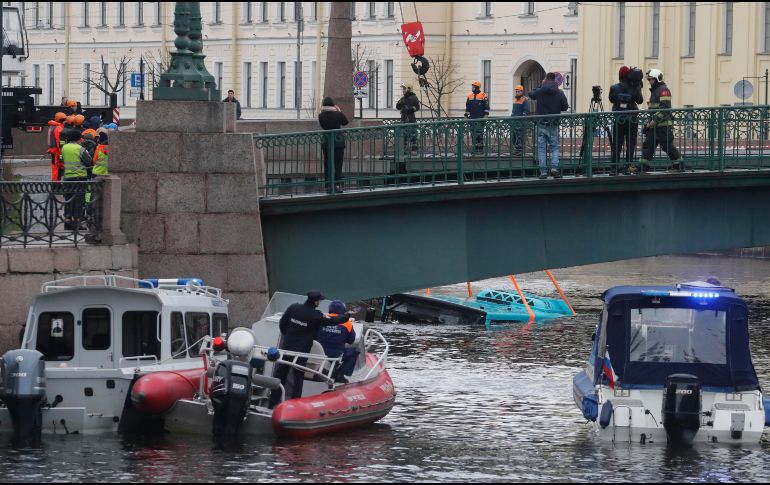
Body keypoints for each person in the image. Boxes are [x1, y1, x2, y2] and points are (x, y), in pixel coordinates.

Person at [269, 291, 348, 408]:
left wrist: (288, 337)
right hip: (301, 353)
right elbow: (332, 321)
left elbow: (282, 324)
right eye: (319, 301)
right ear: (316, 301)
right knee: (298, 379)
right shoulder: (315, 315)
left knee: (281, 375)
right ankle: (295, 405)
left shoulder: (293, 308)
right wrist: (345, 318)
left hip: (287, 349)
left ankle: (272, 402)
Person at [639, 68, 682, 173]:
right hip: (655, 125)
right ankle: (642, 168)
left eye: (651, 79)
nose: (650, 82)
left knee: (666, 145)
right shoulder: (655, 90)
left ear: (657, 79)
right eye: (649, 80)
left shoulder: (663, 90)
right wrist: (649, 123)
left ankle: (679, 166)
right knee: (648, 145)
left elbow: (665, 108)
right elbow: (653, 109)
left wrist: (654, 120)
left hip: (663, 126)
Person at [528, 72, 569, 179]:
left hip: (541, 123)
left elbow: (530, 94)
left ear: (545, 79)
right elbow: (565, 107)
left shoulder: (540, 90)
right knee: (555, 147)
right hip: (553, 124)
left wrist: (540, 85)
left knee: (541, 148)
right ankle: (554, 168)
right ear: (555, 80)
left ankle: (543, 172)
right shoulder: (559, 92)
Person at [608, 66, 643, 175]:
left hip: (619, 120)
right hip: (632, 120)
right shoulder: (634, 88)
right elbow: (640, 100)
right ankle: (627, 166)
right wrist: (637, 86)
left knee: (617, 144)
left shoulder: (614, 88)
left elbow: (611, 99)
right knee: (630, 144)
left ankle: (614, 167)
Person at [316, 300, 360, 383]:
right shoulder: (347, 323)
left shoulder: (322, 319)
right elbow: (351, 341)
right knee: (356, 350)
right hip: (335, 355)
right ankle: (340, 374)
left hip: (318, 353)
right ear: (342, 310)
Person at [60, 131, 93, 231]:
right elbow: (88, 161)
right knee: (79, 200)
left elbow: (62, 159)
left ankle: (67, 222)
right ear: (78, 139)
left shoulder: (64, 148)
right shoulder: (80, 149)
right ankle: (77, 222)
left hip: (67, 177)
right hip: (79, 177)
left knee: (68, 199)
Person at [318, 96, 349, 193]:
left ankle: (328, 186)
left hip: (326, 142)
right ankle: (337, 185)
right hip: (338, 142)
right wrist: (339, 111)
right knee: (338, 164)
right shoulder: (337, 114)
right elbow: (345, 122)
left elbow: (323, 126)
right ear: (333, 104)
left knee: (327, 164)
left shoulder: (321, 115)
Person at [464, 81, 490, 154]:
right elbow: (468, 108)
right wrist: (466, 116)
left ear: (477, 87)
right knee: (473, 134)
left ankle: (480, 149)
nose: (472, 88)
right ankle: (475, 149)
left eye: (473, 87)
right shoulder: (470, 96)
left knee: (480, 133)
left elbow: (486, 107)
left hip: (480, 118)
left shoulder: (483, 95)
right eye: (472, 86)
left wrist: (486, 116)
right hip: (472, 118)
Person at [396, 83, 420, 154]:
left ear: (408, 89)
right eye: (402, 89)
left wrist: (410, 109)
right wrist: (400, 103)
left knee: (413, 134)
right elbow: (397, 107)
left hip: (411, 118)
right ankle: (404, 150)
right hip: (404, 118)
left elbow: (417, 107)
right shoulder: (403, 98)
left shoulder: (414, 97)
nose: (403, 90)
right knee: (404, 135)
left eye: (404, 89)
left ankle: (414, 150)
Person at [510, 85, 531, 156]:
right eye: (516, 91)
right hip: (514, 121)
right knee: (515, 136)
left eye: (518, 91)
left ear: (522, 92)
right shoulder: (516, 100)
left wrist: (522, 119)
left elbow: (526, 110)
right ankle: (516, 149)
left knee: (520, 136)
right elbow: (514, 111)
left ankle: (520, 150)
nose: (517, 93)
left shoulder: (525, 100)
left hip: (520, 122)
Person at [47, 112, 67, 181]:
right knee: (57, 168)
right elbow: (60, 143)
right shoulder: (58, 129)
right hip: (57, 152)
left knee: (55, 168)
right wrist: (62, 155)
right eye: (65, 120)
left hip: (54, 151)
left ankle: (55, 184)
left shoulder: (53, 127)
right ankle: (56, 186)